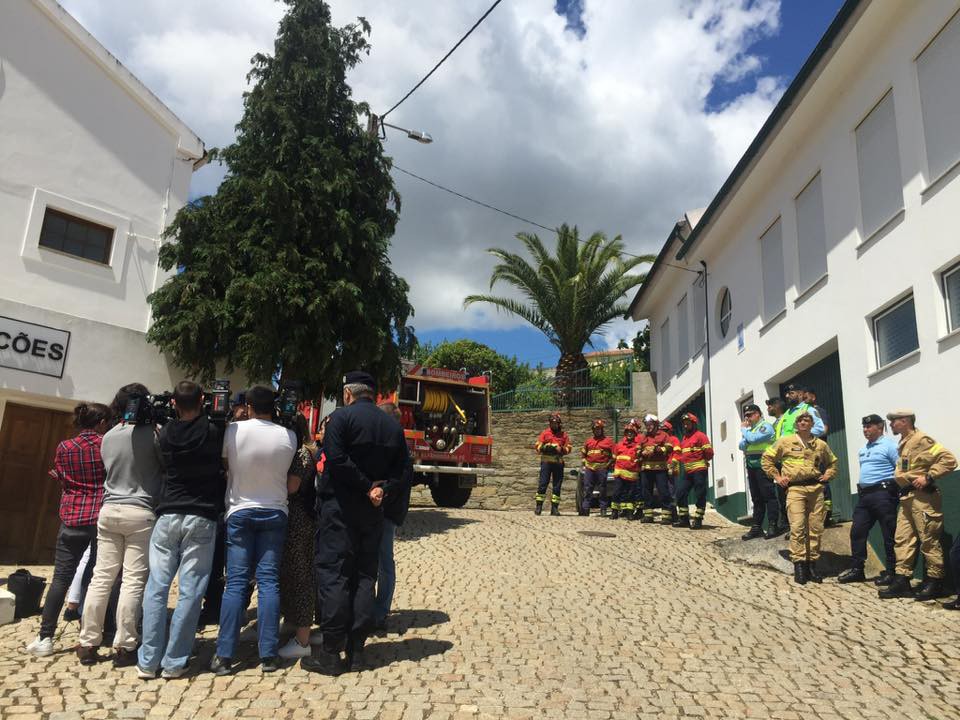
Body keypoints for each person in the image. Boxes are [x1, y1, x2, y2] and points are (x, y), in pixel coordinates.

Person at [303, 371, 408, 676]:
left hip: (339, 508)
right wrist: (381, 490)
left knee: (335, 574)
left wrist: (365, 486)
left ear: (348, 393)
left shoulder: (342, 419)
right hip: (373, 512)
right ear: (374, 394)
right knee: (365, 575)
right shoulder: (391, 425)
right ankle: (357, 650)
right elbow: (404, 470)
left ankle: (332, 653)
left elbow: (335, 459)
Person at [137, 381, 225, 679]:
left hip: (168, 512)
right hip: (200, 514)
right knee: (191, 590)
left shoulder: (165, 434)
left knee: (156, 588)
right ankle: (175, 661)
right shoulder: (213, 431)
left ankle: (148, 660)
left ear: (173, 403)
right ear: (203, 400)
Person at [210, 386, 298, 675]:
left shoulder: (233, 431)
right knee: (269, 582)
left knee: (236, 583)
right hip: (274, 509)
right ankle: (268, 655)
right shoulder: (289, 436)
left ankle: (224, 655)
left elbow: (226, 465)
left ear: (248, 405)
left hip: (240, 510)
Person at [77, 384, 163, 667]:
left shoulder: (109, 436)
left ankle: (87, 641)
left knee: (101, 577)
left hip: (109, 509)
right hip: (141, 511)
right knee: (133, 580)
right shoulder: (154, 435)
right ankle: (125, 645)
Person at [25, 402, 111, 658]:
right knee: (92, 579)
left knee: (61, 578)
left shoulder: (64, 446)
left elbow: (61, 477)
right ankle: (88, 634)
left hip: (71, 516)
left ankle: (45, 637)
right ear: (102, 422)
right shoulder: (105, 445)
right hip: (98, 516)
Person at [878, 411, 958, 601]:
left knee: (929, 539)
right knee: (903, 539)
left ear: (905, 422)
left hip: (923, 497)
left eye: (893, 421)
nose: (890, 424)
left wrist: (929, 477)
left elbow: (949, 460)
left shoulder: (923, 440)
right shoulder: (904, 442)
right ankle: (902, 580)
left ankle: (935, 581)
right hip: (907, 498)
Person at [761, 412, 838, 584]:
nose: (803, 423)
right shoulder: (785, 441)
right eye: (800, 421)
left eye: (807, 421)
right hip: (795, 489)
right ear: (797, 424)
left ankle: (812, 565)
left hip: (816, 489)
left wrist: (828, 475)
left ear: (811, 424)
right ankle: (799, 565)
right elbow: (767, 458)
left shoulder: (820, 444)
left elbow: (833, 462)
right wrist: (777, 477)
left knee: (816, 528)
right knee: (797, 527)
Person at [837, 414, 899, 585]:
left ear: (880, 427)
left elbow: (900, 470)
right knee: (857, 531)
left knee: (889, 534)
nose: (865, 430)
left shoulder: (890, 446)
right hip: (865, 496)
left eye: (869, 426)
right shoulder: (864, 449)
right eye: (864, 427)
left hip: (883, 494)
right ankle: (858, 569)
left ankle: (892, 571)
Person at [277, 415, 320, 659]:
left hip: (299, 520)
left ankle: (302, 639)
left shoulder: (300, 454)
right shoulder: (306, 450)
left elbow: (292, 487)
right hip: (301, 519)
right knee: (292, 574)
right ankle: (294, 622)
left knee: (301, 575)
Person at [374, 402, 413, 632]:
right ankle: (376, 608)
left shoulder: (396, 447)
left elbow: (399, 482)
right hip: (387, 511)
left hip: (386, 512)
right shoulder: (396, 444)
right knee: (381, 561)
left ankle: (380, 610)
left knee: (384, 562)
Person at [738, 404, 781, 540]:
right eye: (746, 416)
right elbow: (741, 445)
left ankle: (773, 525)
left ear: (757, 414)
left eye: (750, 415)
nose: (747, 418)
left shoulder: (765, 426)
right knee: (756, 498)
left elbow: (752, 440)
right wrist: (748, 436)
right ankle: (756, 527)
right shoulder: (752, 430)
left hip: (764, 465)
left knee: (768, 496)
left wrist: (745, 431)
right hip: (752, 466)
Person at [674, 413, 713, 529]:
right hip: (687, 471)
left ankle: (698, 519)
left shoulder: (701, 436)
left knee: (700, 494)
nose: (685, 426)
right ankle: (684, 519)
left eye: (688, 423)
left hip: (699, 470)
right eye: (684, 424)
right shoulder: (684, 438)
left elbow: (709, 453)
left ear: (694, 424)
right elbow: (682, 455)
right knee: (680, 493)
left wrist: (704, 460)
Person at [804, 386, 835, 526]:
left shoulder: (818, 411)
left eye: (806, 397)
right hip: (807, 454)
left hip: (819, 453)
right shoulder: (803, 413)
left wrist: (804, 435)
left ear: (813, 397)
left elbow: (824, 430)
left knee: (822, 481)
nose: (803, 400)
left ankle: (827, 515)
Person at [534, 413, 571, 516]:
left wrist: (562, 449)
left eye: (555, 423)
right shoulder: (545, 433)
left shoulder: (564, 435)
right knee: (542, 484)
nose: (553, 425)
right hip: (546, 463)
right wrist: (545, 448)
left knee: (557, 486)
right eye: (552, 423)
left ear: (559, 424)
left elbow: (569, 448)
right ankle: (539, 507)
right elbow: (537, 446)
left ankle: (554, 508)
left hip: (558, 463)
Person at [639, 415, 674, 524]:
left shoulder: (664, 435)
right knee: (646, 492)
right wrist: (641, 453)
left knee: (663, 492)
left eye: (650, 425)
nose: (648, 427)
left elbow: (669, 448)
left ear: (655, 425)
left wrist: (658, 449)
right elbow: (637, 449)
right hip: (646, 469)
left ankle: (666, 517)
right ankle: (648, 516)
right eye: (646, 425)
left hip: (660, 469)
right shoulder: (644, 437)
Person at [580, 419, 614, 517]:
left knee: (602, 489)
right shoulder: (589, 441)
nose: (597, 431)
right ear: (593, 430)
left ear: (602, 429)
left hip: (602, 468)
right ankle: (585, 509)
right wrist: (585, 463)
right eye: (595, 429)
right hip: (590, 468)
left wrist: (608, 464)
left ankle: (603, 508)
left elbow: (614, 455)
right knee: (587, 488)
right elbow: (583, 454)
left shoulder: (608, 441)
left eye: (599, 429)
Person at [765, 397, 789, 534]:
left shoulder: (787, 418)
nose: (768, 409)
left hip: (788, 461)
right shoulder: (775, 423)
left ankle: (791, 524)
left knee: (788, 493)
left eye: (770, 406)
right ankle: (785, 522)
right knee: (781, 493)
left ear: (777, 406)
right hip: (778, 462)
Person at [609, 421, 641, 521]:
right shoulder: (619, 445)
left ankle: (629, 512)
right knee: (616, 492)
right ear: (625, 433)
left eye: (631, 432)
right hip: (619, 473)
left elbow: (640, 458)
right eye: (628, 432)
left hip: (632, 474)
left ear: (635, 434)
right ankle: (614, 511)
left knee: (630, 494)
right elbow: (614, 458)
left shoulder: (638, 446)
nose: (629, 434)